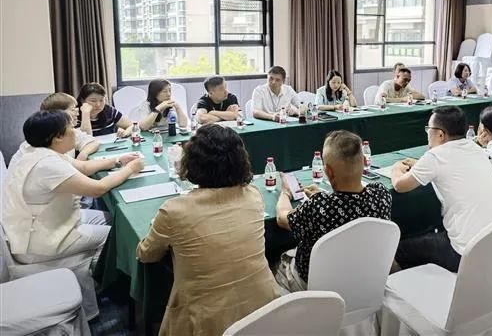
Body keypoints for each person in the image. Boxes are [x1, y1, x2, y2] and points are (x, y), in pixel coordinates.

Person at [137, 125, 279, 335]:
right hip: (264, 312)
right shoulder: (253, 195)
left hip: (204, 322)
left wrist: (156, 225)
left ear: (192, 163)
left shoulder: (173, 211)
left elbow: (146, 254)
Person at [2, 111, 143, 317]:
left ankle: (103, 275)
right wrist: (131, 169)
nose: (76, 133)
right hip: (40, 241)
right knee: (118, 235)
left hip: (39, 224)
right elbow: (98, 188)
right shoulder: (47, 165)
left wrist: (118, 160)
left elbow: (83, 167)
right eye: (70, 129)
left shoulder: (34, 150)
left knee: (111, 219)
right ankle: (111, 284)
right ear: (57, 137)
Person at [390, 106, 492, 272]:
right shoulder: (476, 148)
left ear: (440, 134)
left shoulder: (435, 156)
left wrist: (395, 168)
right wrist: (420, 166)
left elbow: (400, 185)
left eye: (428, 129)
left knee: (399, 250)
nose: (427, 133)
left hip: (465, 253)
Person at [274, 130, 392, 292]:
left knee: (276, 261)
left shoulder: (318, 206)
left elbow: (282, 218)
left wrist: (285, 193)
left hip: (318, 288)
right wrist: (322, 197)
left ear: (328, 171)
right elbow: (348, 204)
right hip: (365, 281)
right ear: (365, 161)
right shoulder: (381, 194)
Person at [41, 93, 99, 160]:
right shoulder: (45, 140)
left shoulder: (70, 131)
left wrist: (83, 154)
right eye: (72, 110)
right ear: (58, 113)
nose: (77, 113)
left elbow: (92, 142)